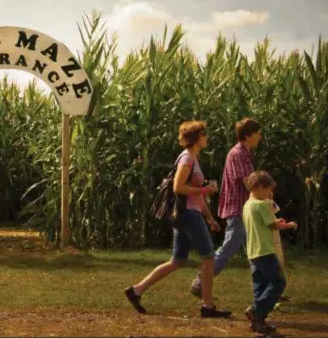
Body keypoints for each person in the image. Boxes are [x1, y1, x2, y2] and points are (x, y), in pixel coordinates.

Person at [124, 120, 231, 318]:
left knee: (177, 261)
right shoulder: (187, 159)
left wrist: (209, 217)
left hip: (187, 214)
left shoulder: (192, 158)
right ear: (198, 138)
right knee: (208, 258)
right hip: (188, 214)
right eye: (204, 135)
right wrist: (204, 189)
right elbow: (178, 187)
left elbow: (195, 195)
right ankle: (207, 306)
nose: (207, 138)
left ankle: (136, 291)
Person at [190, 118, 262, 297]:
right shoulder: (238, 153)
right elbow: (248, 183)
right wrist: (266, 197)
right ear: (247, 135)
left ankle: (265, 287)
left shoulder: (244, 153)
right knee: (230, 247)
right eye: (258, 133)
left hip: (244, 208)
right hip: (238, 208)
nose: (260, 136)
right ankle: (200, 281)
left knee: (256, 249)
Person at [241, 170, 296, 334]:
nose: (269, 194)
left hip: (253, 252)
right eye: (267, 190)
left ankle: (258, 323)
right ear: (257, 187)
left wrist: (274, 221)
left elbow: (263, 222)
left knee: (261, 286)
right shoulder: (262, 204)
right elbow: (273, 226)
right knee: (278, 282)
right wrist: (289, 225)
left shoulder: (247, 205)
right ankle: (256, 311)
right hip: (265, 250)